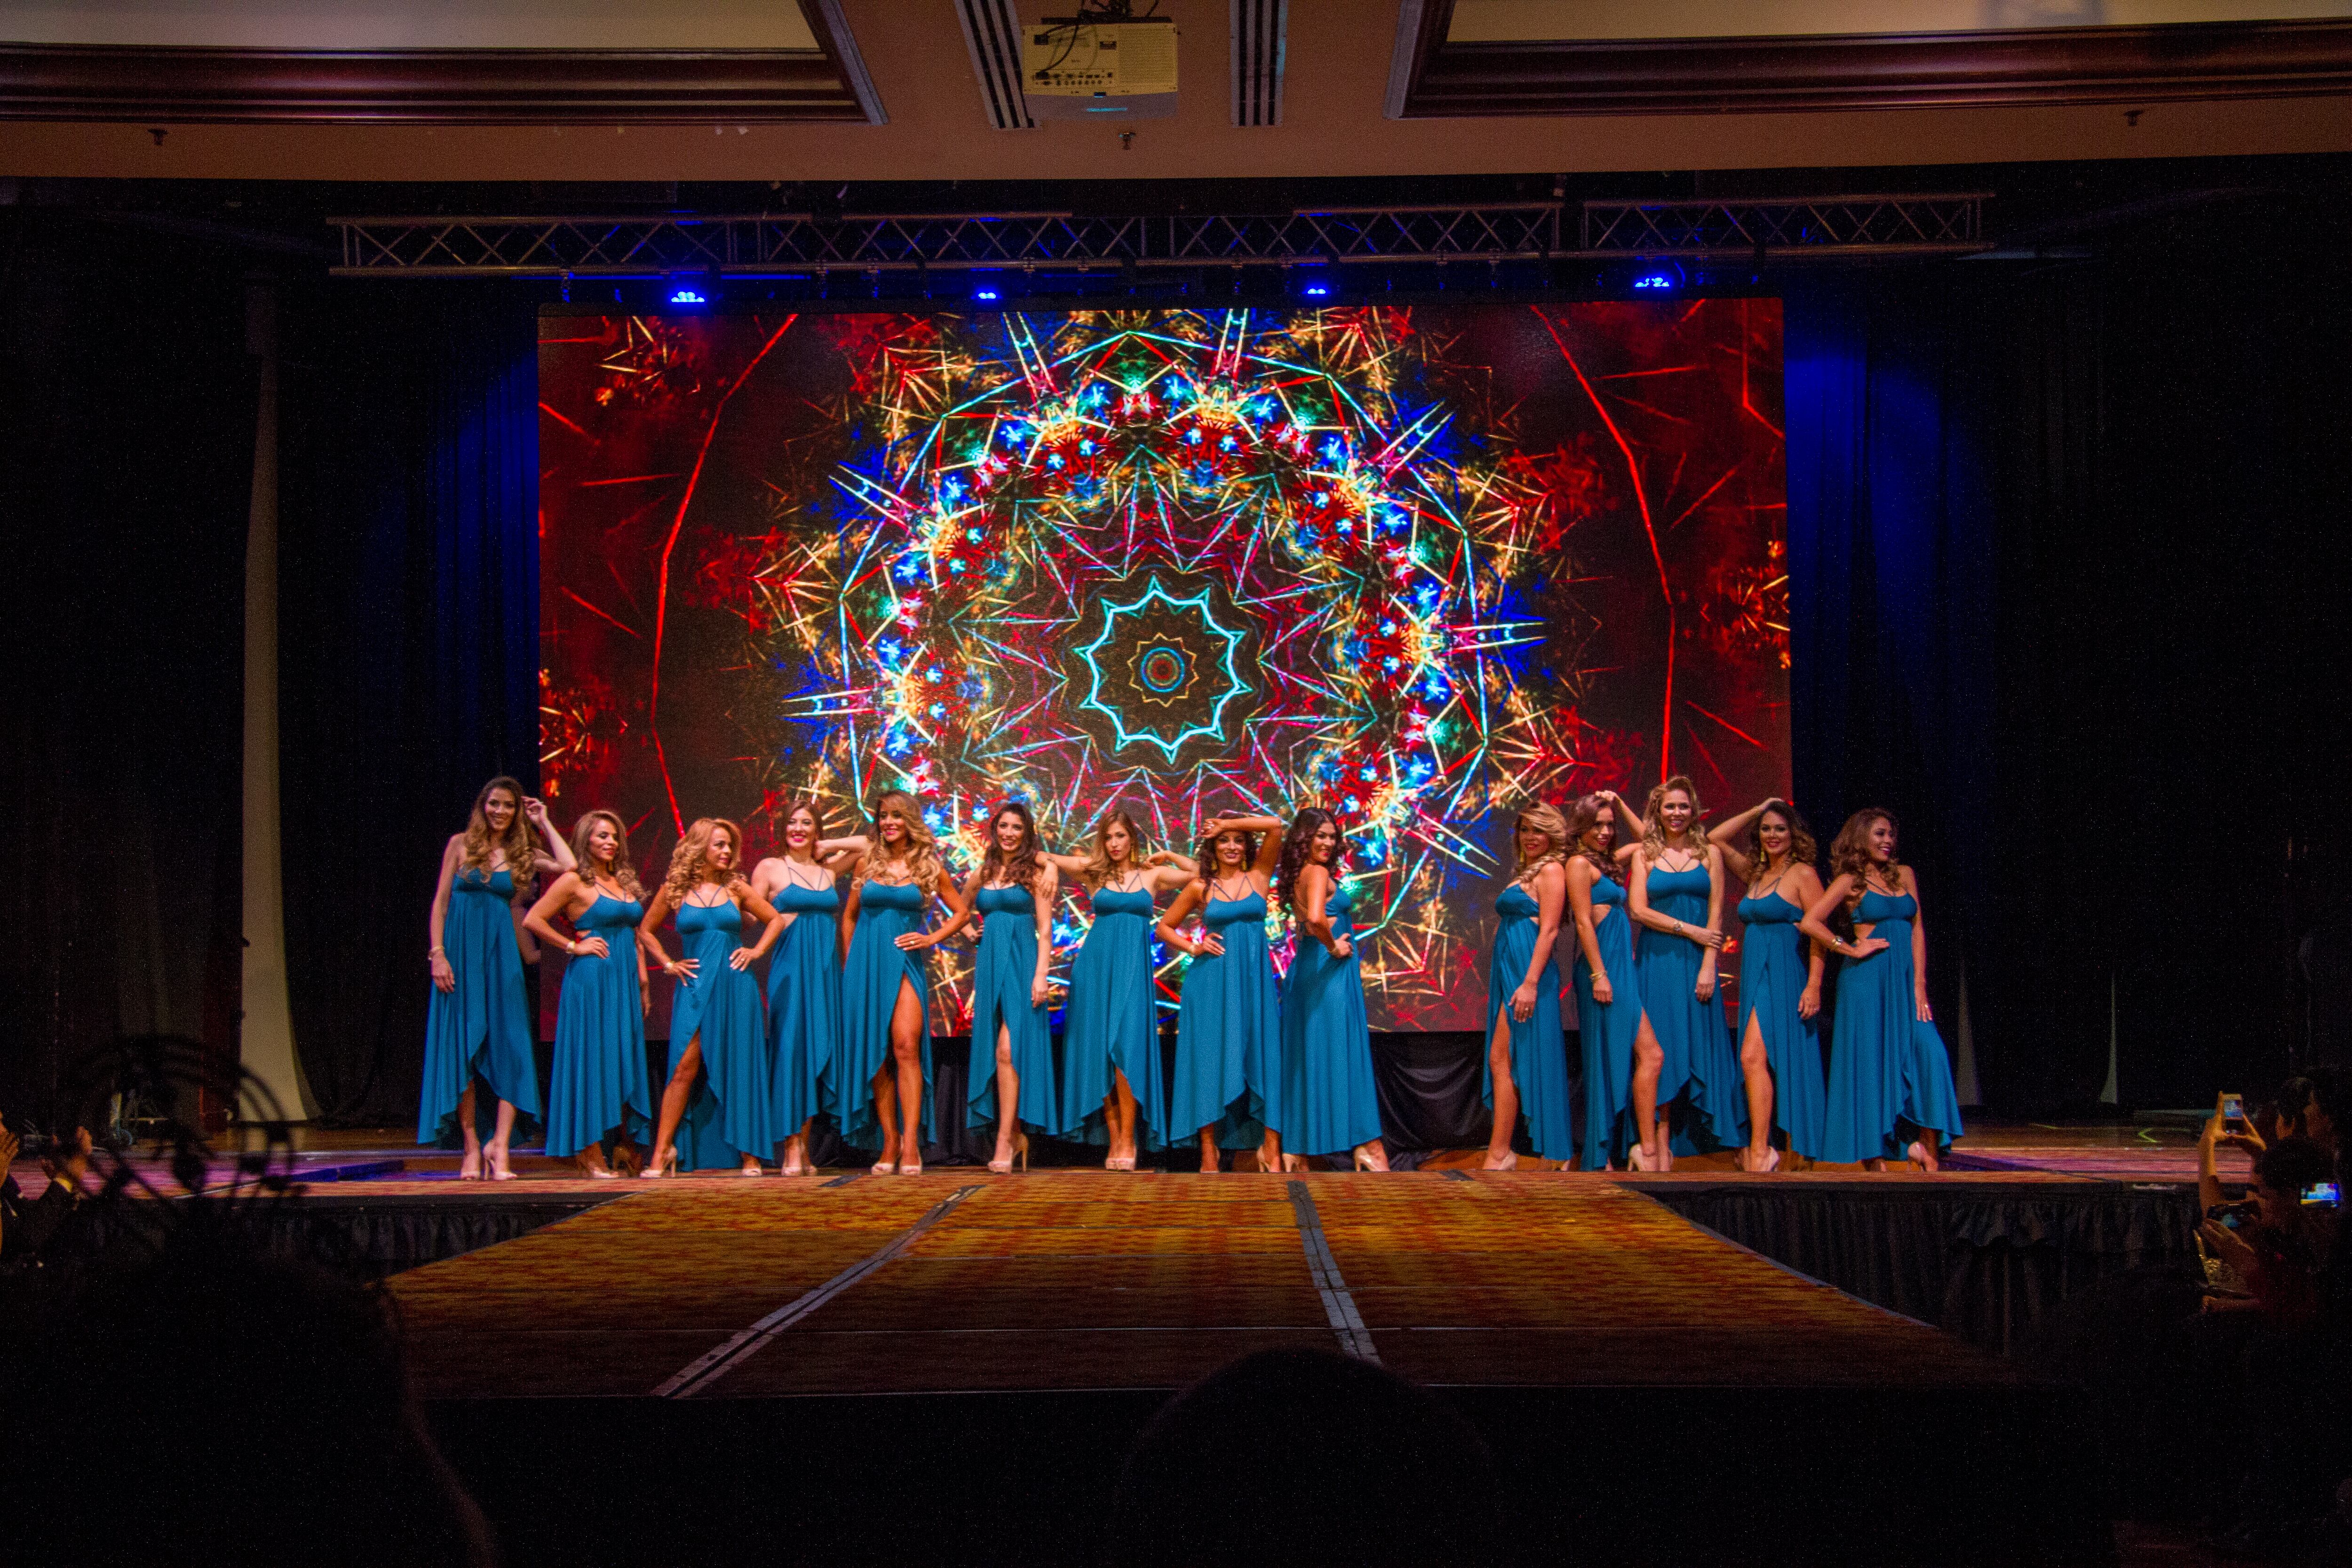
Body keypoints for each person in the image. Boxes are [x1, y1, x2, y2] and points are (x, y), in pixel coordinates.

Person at [420, 776, 574, 1179]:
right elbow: (440, 904)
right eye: (494, 804)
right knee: (462, 1049)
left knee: (512, 1046)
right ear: (482, 806)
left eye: (508, 805)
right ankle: (472, 1145)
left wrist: (544, 822)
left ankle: (500, 1146)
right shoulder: (460, 845)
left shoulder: (523, 853)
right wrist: (438, 954)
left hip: (501, 958)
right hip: (459, 956)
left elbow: (569, 866)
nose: (500, 811)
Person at [1800, 808, 1963, 1170]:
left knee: (1931, 1053)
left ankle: (1926, 1147)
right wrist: (1849, 948)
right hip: (1865, 983)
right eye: (1879, 834)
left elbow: (1917, 928)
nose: (1888, 840)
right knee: (1869, 1065)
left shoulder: (1905, 874)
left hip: (1904, 985)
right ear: (1861, 837)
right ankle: (1874, 1159)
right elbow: (1810, 921)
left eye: (1891, 834)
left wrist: (1919, 984)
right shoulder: (1850, 881)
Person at [636, 817, 786, 1177]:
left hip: (736, 986)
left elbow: (776, 920)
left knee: (741, 1066)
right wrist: (668, 963)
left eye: (730, 845)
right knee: (682, 1067)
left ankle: (750, 1154)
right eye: (719, 844)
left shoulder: (736, 887)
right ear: (700, 846)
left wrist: (756, 951)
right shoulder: (675, 888)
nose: (727, 851)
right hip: (694, 985)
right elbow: (645, 929)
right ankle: (663, 1150)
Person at [1046, 808, 1189, 1170]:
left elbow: (1202, 873)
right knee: (1100, 1052)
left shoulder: (1152, 874)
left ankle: (1129, 1136)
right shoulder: (1094, 871)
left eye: (1120, 836)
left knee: (1126, 1048)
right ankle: (1115, 1138)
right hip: (1095, 969)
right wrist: (1049, 868)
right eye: (1108, 837)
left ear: (1132, 839)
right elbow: (1042, 855)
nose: (1114, 843)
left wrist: (1168, 854)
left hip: (1133, 971)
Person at [523, 809, 652, 1178]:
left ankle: (624, 1145)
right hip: (593, 980)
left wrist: (643, 982)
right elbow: (533, 919)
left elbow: (635, 935)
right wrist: (572, 945)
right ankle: (589, 1151)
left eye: (614, 836)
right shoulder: (574, 880)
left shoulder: (622, 881)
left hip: (624, 981)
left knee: (622, 1059)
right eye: (602, 836)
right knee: (593, 1061)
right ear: (586, 840)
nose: (610, 842)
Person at [1625, 775, 1745, 1170]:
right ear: (1657, 811)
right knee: (1661, 1050)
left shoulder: (1710, 852)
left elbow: (1717, 912)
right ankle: (1658, 1144)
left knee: (1700, 1044)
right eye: (1669, 806)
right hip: (1657, 962)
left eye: (1683, 806)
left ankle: (1721, 1146)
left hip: (1698, 963)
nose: (1677, 813)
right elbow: (1638, 910)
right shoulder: (1645, 854)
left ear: (1694, 810)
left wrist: (1709, 963)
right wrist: (1689, 930)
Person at [932, 799, 1057, 1174]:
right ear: (995, 829)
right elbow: (958, 908)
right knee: (999, 1051)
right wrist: (970, 932)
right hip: (989, 965)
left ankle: (1006, 1139)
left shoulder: (1035, 873)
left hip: (1024, 964)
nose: (1009, 833)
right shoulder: (983, 872)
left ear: (1027, 833)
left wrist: (1041, 975)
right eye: (1004, 826)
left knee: (1009, 1049)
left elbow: (1046, 930)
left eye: (1017, 827)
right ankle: (1014, 1135)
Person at [834, 790, 955, 1176]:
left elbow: (962, 911)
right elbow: (849, 916)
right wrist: (851, 962)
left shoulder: (928, 866)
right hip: (865, 965)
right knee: (877, 1050)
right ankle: (889, 1141)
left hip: (904, 963)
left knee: (906, 1046)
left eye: (897, 816)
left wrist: (931, 938)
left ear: (910, 821)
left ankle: (911, 1142)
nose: (889, 822)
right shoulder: (866, 862)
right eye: (884, 815)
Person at [1157, 815, 1287, 1174]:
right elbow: (1165, 926)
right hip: (1211, 984)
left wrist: (1227, 823)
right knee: (1209, 1060)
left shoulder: (1259, 876)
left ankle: (1271, 1150)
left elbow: (1275, 826)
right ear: (1212, 848)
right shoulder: (1201, 886)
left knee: (1263, 1055)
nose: (1231, 846)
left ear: (1247, 846)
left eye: (1238, 840)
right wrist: (1193, 947)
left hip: (1254, 983)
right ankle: (1208, 1152)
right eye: (1223, 840)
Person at [746, 799, 867, 1177]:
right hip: (790, 968)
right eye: (792, 822)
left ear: (817, 830)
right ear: (782, 829)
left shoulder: (828, 870)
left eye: (806, 823)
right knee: (790, 1052)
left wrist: (828, 846)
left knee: (817, 1049)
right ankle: (790, 1145)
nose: (798, 829)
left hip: (825, 970)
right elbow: (750, 915)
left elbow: (869, 843)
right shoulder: (770, 867)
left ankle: (804, 1144)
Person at [1710, 796, 1828, 1170]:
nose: (1773, 835)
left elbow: (1819, 935)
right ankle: (1762, 1149)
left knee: (1788, 1060)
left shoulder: (1804, 874)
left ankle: (1784, 1149)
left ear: (1794, 834)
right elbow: (1715, 838)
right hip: (1755, 972)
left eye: (1780, 828)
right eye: (1766, 829)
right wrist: (1756, 809)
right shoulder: (1756, 873)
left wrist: (1814, 985)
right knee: (1751, 1057)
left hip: (1787, 972)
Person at [1275, 809, 1388, 1170]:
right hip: (1327, 972)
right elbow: (1315, 919)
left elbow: (1308, 922)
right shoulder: (1318, 872)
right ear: (1304, 838)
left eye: (1331, 836)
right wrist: (1334, 947)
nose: (1327, 842)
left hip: (1310, 971)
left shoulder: (1301, 873)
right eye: (1319, 835)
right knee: (1344, 1053)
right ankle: (1368, 1146)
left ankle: (1298, 1147)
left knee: (1310, 1056)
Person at [1480, 804, 1572, 1170]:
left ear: (1552, 834)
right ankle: (1502, 1152)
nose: (1530, 837)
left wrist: (1531, 983)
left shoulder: (1552, 870)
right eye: (1525, 829)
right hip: (1511, 971)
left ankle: (1551, 1153)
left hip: (1529, 974)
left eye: (1538, 830)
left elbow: (1549, 930)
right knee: (1501, 1058)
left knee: (1532, 1058)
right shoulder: (1528, 871)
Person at [1568, 791, 1648, 1170]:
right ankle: (1600, 1155)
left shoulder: (1608, 862)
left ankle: (1634, 1148)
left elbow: (1649, 839)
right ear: (1581, 826)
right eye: (1596, 824)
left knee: (1651, 1054)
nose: (1604, 831)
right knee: (1603, 1059)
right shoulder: (1578, 864)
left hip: (1620, 969)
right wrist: (1599, 975)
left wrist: (1619, 803)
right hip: (1601, 971)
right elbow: (1583, 922)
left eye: (1609, 825)